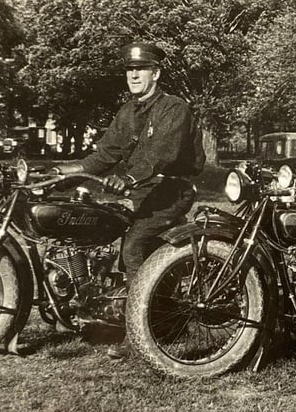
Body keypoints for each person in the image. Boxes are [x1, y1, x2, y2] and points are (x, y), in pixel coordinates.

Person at [52, 41, 199, 358]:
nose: (133, 75)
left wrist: (130, 178)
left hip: (171, 191)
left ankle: (138, 336)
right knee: (89, 228)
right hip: (140, 192)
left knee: (133, 246)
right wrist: (59, 174)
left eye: (140, 69)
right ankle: (92, 305)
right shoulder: (127, 112)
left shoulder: (174, 108)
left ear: (155, 73)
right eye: (129, 70)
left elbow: (163, 155)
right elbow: (103, 156)